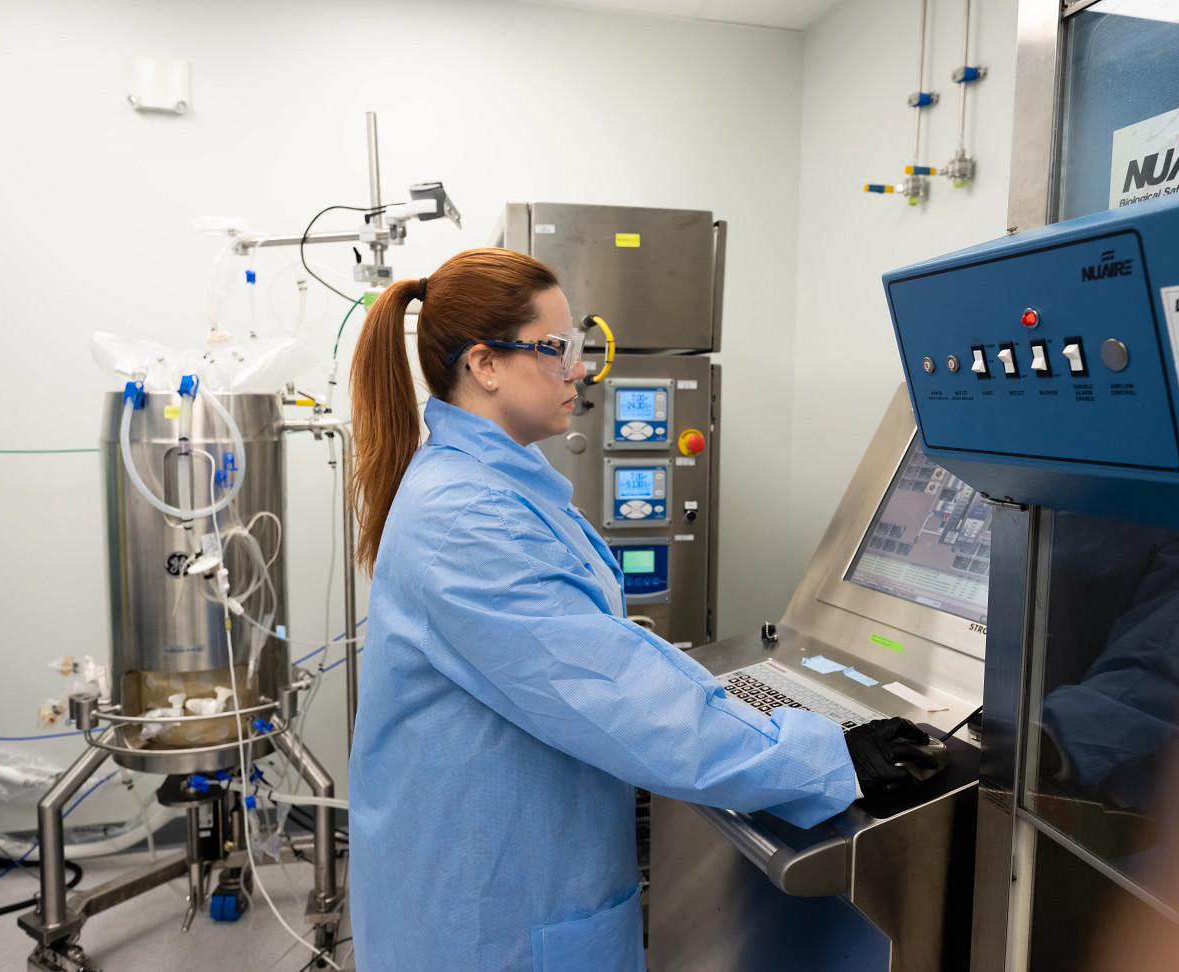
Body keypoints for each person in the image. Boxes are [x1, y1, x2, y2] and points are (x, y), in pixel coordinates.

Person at [346, 247, 933, 971]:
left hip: (505, 877)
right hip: (487, 916)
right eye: (555, 349)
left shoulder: (493, 489)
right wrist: (822, 757)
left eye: (578, 346)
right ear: (484, 364)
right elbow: (609, 692)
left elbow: (596, 654)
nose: (580, 369)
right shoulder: (469, 517)